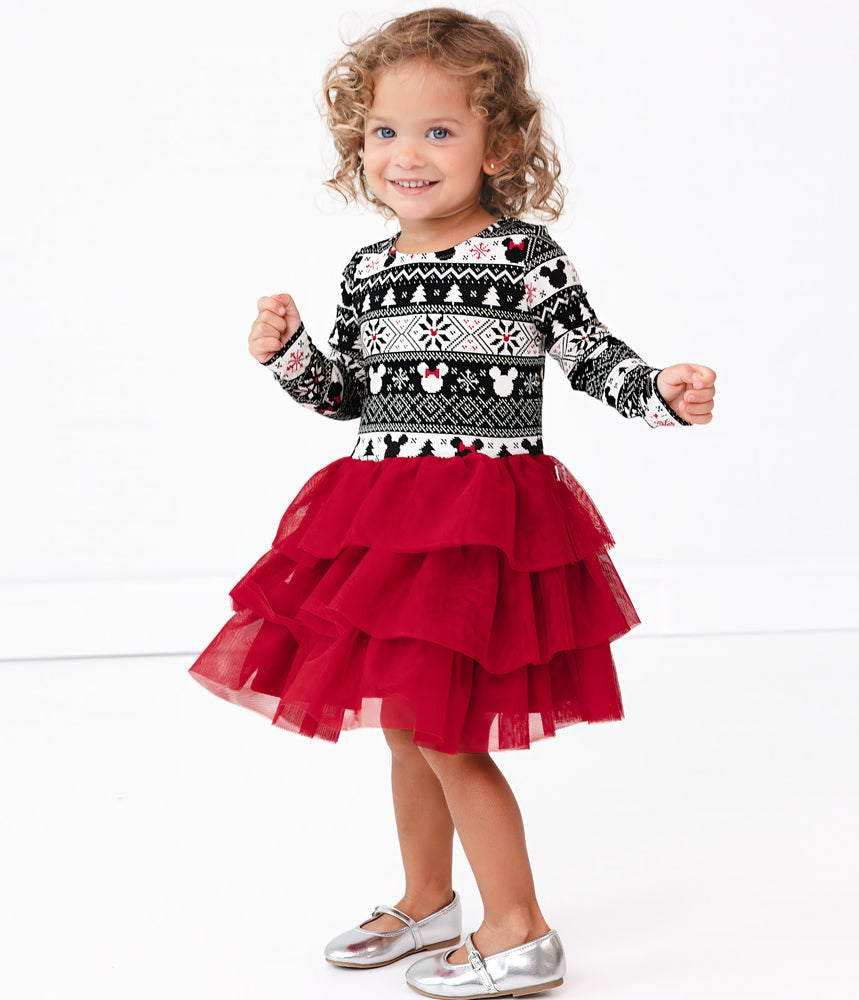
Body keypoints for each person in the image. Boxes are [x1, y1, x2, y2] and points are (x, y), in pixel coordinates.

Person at [189, 8, 716, 998]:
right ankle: (426, 899)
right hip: (383, 515)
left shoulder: (522, 258)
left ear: (499, 143)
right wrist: (289, 356)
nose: (408, 153)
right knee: (400, 719)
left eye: (440, 130)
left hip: (476, 520)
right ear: (359, 144)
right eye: (387, 131)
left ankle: (520, 929)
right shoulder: (367, 271)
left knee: (446, 727)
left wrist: (661, 395)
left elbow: (590, 355)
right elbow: (348, 395)